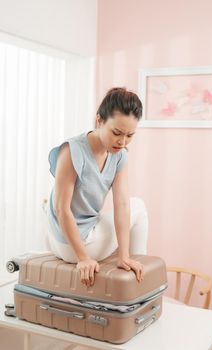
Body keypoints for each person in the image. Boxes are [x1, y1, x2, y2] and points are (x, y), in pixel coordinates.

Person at [46, 87, 148, 288]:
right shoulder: (72, 150)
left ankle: (129, 261)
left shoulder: (119, 155)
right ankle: (140, 278)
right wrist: (83, 258)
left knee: (129, 205)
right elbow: (61, 209)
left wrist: (123, 255)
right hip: (72, 244)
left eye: (130, 135)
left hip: (79, 237)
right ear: (99, 120)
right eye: (117, 132)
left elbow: (121, 204)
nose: (122, 141)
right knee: (139, 206)